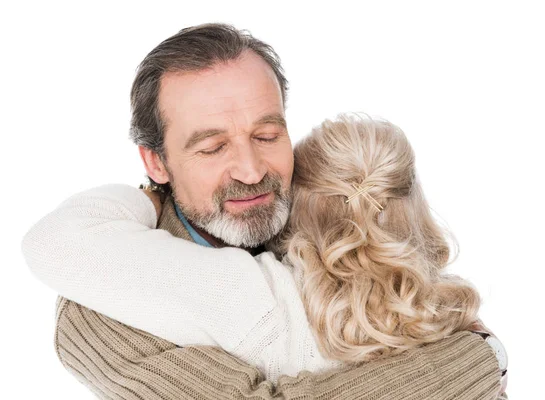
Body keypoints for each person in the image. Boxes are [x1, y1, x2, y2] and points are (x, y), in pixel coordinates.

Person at [23, 24, 506, 399]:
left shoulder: (329, 205)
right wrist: (477, 359)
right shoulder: (103, 302)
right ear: (157, 161)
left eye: (267, 136)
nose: (252, 171)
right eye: (213, 148)